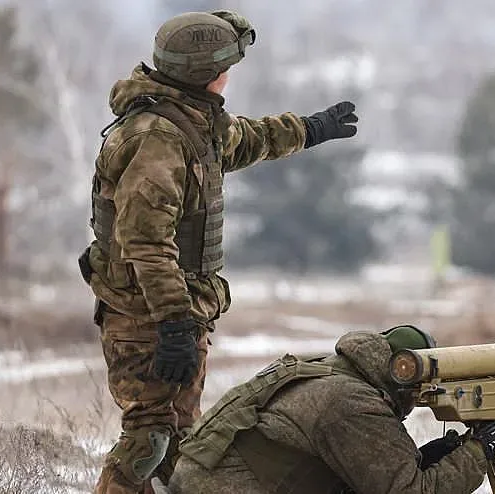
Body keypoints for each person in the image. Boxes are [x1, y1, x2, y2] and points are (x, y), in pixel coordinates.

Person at [77, 10, 360, 494]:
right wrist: (172, 324)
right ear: (207, 72)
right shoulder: (157, 140)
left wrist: (313, 128)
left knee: (182, 444)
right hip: (146, 316)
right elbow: (145, 243)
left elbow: (249, 139)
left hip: (174, 313)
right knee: (151, 439)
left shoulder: (191, 121)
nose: (231, 74)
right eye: (227, 64)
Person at [157, 325, 495, 494]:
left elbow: (353, 467)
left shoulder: (328, 373)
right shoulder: (353, 404)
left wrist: (432, 456)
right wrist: (481, 450)